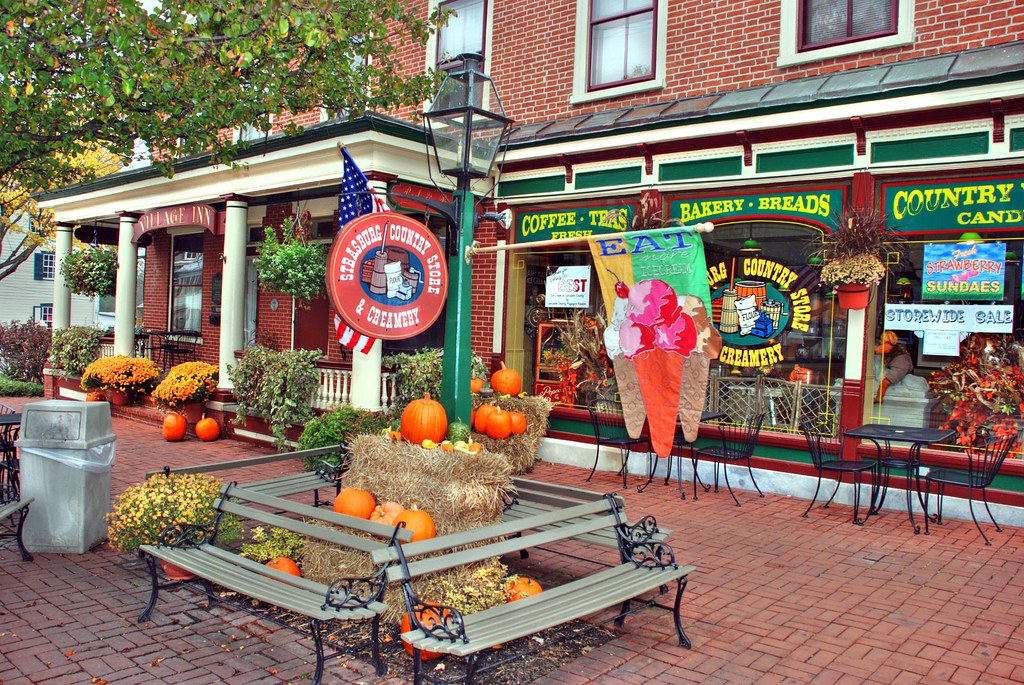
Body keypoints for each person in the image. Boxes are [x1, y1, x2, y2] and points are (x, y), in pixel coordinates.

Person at [875, 330, 914, 403]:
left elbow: (876, 350)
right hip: (902, 364)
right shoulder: (897, 347)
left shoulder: (887, 346)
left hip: (900, 365)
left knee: (885, 382)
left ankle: (879, 397)